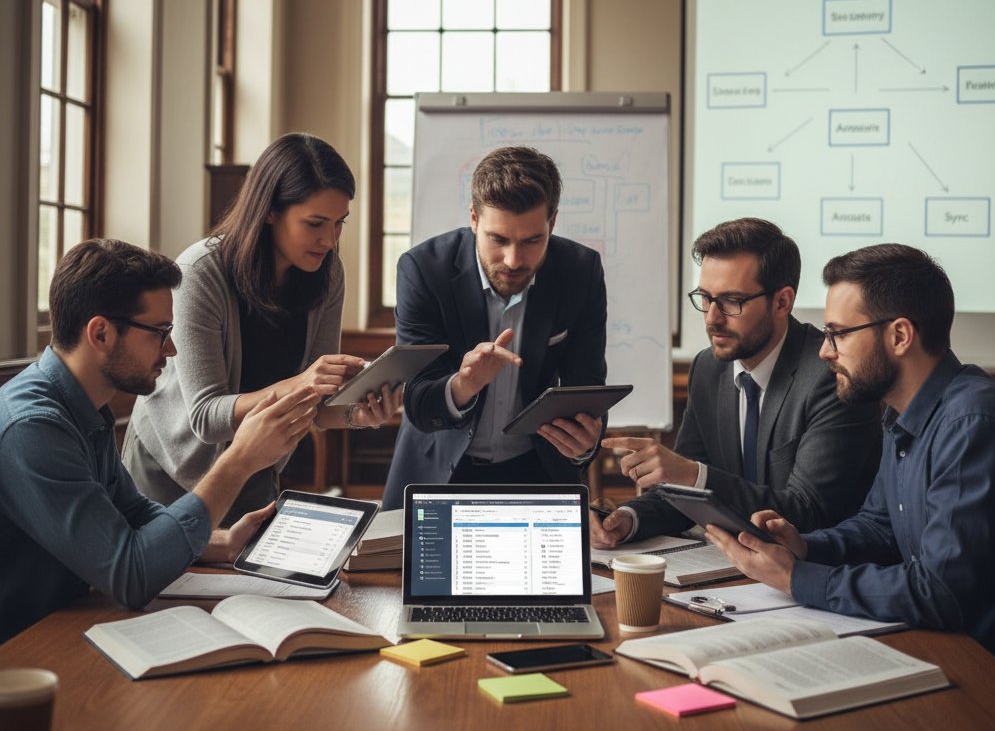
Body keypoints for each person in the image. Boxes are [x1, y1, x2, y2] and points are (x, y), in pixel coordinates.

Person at [705, 244, 995, 676]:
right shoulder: (902, 411)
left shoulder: (972, 422)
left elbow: (942, 592)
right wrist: (803, 546)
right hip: (935, 650)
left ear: (899, 336)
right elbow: (880, 526)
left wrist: (796, 579)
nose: (825, 351)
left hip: (990, 679)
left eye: (838, 334)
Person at [0, 239, 321, 643]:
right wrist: (239, 460)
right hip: (23, 655)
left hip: (64, 627)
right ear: (100, 333)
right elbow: (131, 576)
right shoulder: (34, 428)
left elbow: (132, 515)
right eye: (159, 332)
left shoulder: (83, 406)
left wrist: (222, 543)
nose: (170, 349)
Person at [123, 133, 400, 524]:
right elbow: (206, 417)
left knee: (252, 585)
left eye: (340, 223)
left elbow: (316, 407)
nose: (330, 239)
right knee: (169, 580)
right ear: (269, 210)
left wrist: (359, 414)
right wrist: (304, 383)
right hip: (169, 468)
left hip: (256, 465)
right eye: (315, 223)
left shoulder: (328, 273)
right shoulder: (201, 272)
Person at [592, 218, 882, 548]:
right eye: (705, 297)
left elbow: (809, 511)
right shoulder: (708, 368)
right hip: (730, 570)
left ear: (782, 302)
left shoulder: (831, 375)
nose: (712, 317)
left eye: (732, 301)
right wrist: (627, 519)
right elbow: (683, 497)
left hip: (812, 574)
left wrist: (694, 475)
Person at [381, 146, 608, 510]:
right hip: (438, 472)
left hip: (537, 473)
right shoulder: (424, 270)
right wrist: (463, 384)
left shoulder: (580, 272)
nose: (514, 260)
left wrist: (585, 445)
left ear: (552, 222)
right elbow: (419, 402)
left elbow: (588, 387)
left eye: (533, 240)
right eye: (498, 239)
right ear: (474, 219)